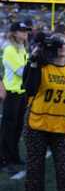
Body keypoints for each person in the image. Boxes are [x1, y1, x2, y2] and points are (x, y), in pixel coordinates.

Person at [24, 33, 65, 191]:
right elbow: (29, 90)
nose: (63, 46)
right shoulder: (41, 66)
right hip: (37, 127)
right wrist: (34, 63)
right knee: (35, 170)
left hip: (62, 127)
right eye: (59, 43)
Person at [0, 21, 30, 172]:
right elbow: (21, 71)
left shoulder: (22, 48)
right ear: (14, 33)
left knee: (17, 127)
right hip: (12, 93)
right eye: (22, 30)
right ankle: (4, 160)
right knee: (8, 128)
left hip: (21, 92)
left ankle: (14, 156)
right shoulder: (10, 49)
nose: (25, 33)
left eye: (26, 30)